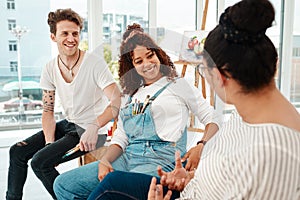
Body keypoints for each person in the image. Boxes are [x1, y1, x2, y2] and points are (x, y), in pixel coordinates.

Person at [85, 0, 300, 199]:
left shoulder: (274, 151)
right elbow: (223, 179)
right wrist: (189, 179)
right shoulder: (243, 116)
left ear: (219, 78)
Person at [53, 23, 220, 200]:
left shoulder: (178, 85)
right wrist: (105, 160)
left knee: (110, 185)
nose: (147, 64)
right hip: (127, 158)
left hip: (161, 161)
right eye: (139, 61)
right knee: (63, 185)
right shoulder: (129, 94)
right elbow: (121, 137)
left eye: (150, 56)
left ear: (159, 54)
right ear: (131, 66)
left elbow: (213, 117)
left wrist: (201, 145)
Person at [6, 8, 121, 200]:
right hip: (69, 125)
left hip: (91, 131)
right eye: (65, 33)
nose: (71, 38)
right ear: (53, 37)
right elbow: (48, 111)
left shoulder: (94, 63)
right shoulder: (50, 68)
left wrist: (95, 126)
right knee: (17, 151)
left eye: (75, 33)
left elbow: (117, 99)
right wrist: (50, 145)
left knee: (39, 162)